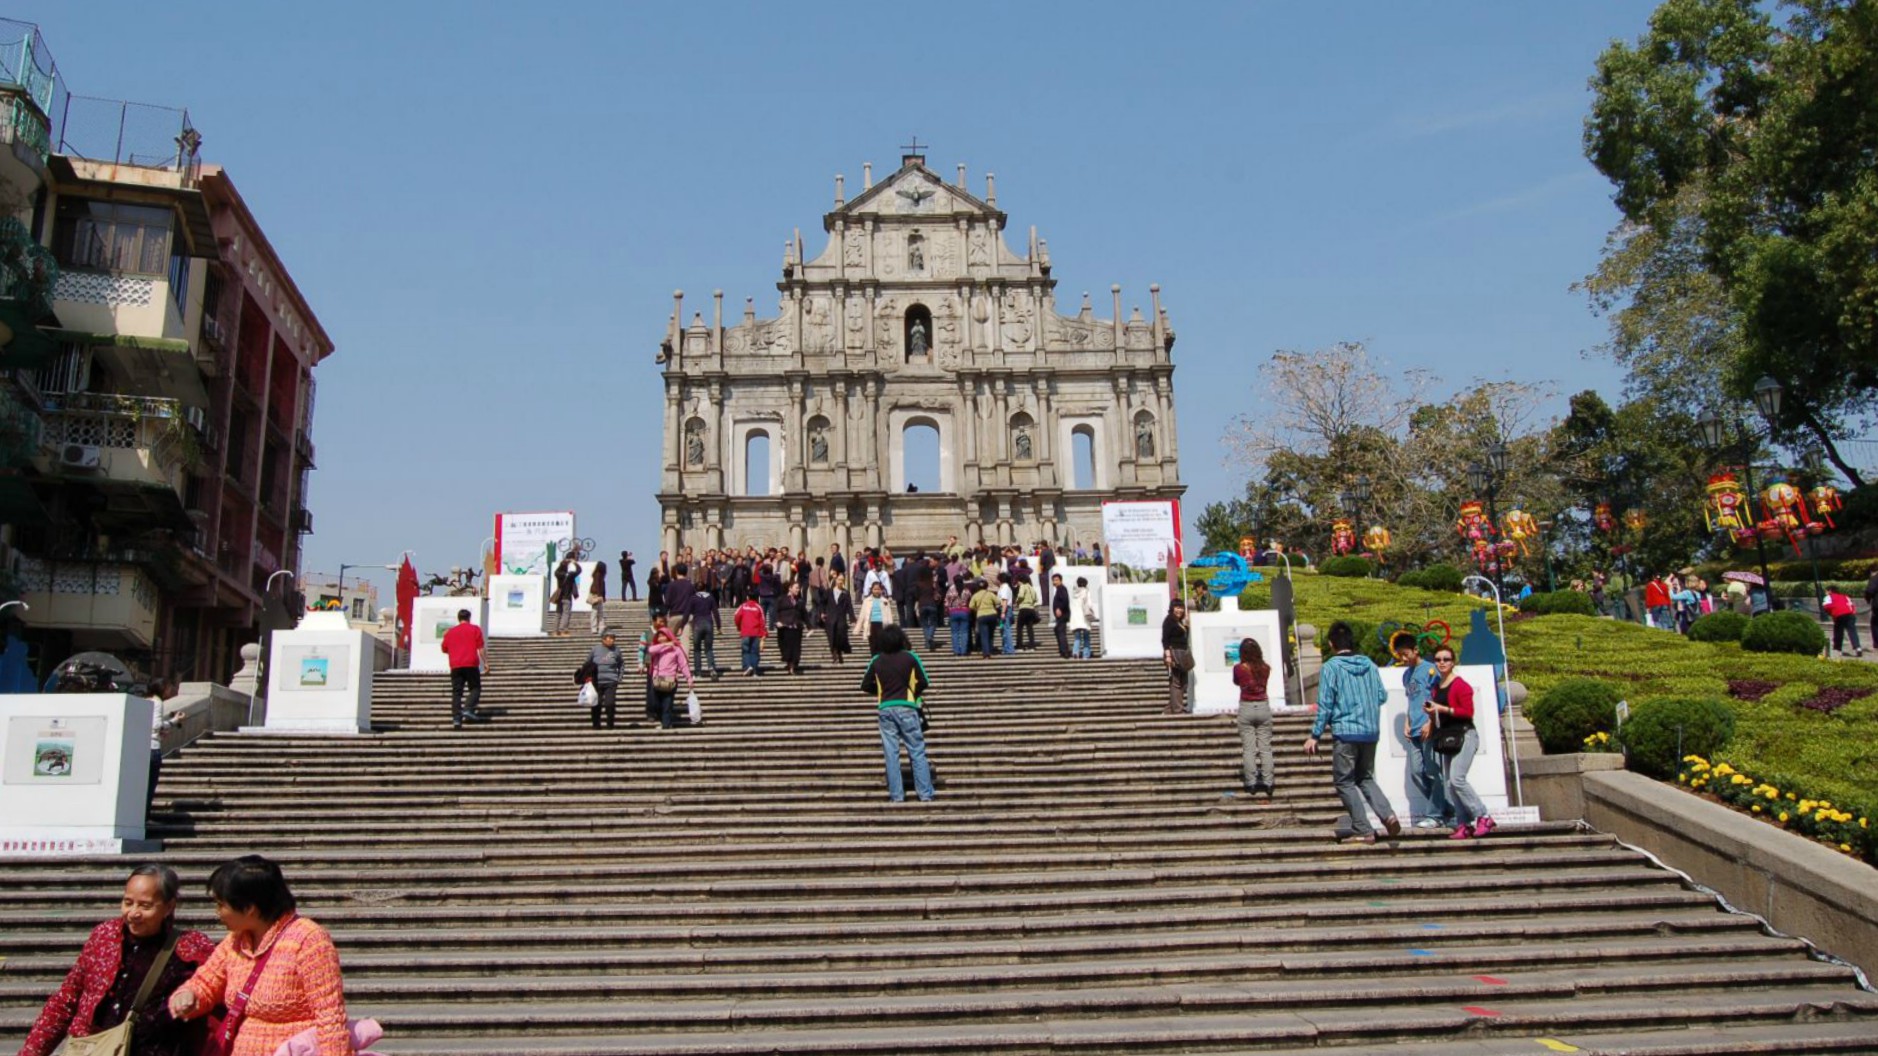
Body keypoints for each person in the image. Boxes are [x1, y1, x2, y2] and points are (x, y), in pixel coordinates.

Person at [20, 864, 216, 1056]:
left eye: (145, 905)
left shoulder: (191, 947)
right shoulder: (104, 937)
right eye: (128, 902)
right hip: (94, 1048)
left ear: (169, 906)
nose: (133, 913)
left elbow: (214, 994)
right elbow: (66, 1000)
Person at [167, 855, 353, 1054]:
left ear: (249, 909)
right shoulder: (236, 941)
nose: (217, 913)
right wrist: (188, 996)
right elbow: (205, 982)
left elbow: (330, 1017)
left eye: (221, 905)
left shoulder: (309, 940)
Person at [1303, 621, 1400, 844]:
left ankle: (1362, 828)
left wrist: (1315, 735)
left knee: (1344, 781)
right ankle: (1388, 815)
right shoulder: (1369, 664)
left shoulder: (1331, 667)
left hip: (1346, 731)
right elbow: (1382, 696)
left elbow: (1325, 703)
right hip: (1370, 731)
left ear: (1331, 644)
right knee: (1365, 777)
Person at [859, 625, 934, 803]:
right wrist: (913, 692)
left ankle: (897, 795)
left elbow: (865, 684)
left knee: (891, 754)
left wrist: (881, 691)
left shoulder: (876, 660)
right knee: (916, 750)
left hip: (885, 707)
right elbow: (924, 681)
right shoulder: (910, 657)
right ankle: (925, 793)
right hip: (907, 706)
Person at [1427, 646, 1495, 840]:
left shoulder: (1460, 685)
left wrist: (1443, 708)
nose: (1442, 663)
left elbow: (1467, 712)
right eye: (1438, 659)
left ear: (1453, 662)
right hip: (1448, 737)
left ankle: (1483, 815)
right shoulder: (1436, 686)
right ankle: (1463, 823)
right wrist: (1433, 713)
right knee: (1450, 783)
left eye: (1446, 659)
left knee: (1457, 778)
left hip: (1465, 735)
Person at [1391, 631, 1451, 828]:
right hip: (1414, 730)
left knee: (1433, 772)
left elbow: (1437, 698)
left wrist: (1431, 722)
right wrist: (1408, 722)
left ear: (1416, 650)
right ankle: (1445, 809)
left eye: (1406, 653)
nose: (1403, 658)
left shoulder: (1431, 670)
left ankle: (1435, 815)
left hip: (1428, 729)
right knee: (1417, 773)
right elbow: (1412, 701)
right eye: (1400, 655)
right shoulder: (1406, 675)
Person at [1234, 637, 1274, 797]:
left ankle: (1251, 783)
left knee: (1249, 749)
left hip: (1246, 706)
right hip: (1263, 705)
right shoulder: (1265, 668)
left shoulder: (1238, 668)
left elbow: (1237, 682)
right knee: (1265, 748)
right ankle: (1269, 782)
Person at [440, 609, 489, 728]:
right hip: (471, 663)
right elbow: (480, 648)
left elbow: (444, 649)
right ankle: (468, 708)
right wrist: (486, 662)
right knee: (475, 687)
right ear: (469, 618)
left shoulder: (450, 632)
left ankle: (457, 718)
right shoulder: (475, 629)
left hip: (456, 665)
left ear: (458, 618)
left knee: (457, 692)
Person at [646, 622, 696, 729]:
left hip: (670, 680)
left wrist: (689, 679)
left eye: (663, 635)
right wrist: (665, 645)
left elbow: (683, 665)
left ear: (668, 636)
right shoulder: (657, 648)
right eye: (659, 636)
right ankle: (664, 721)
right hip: (657, 680)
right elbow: (650, 650)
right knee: (655, 703)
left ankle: (666, 725)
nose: (661, 638)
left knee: (667, 704)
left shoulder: (676, 650)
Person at [586, 631, 624, 728]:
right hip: (596, 681)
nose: (611, 640)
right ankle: (596, 724)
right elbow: (588, 663)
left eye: (613, 638)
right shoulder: (595, 649)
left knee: (610, 703)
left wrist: (619, 677)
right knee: (596, 703)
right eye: (609, 638)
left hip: (611, 681)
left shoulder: (616, 650)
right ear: (603, 639)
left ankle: (610, 724)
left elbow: (621, 664)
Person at [1161, 597, 1192, 714]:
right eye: (1177, 607)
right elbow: (1165, 640)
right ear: (1172, 608)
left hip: (1183, 654)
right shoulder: (1169, 621)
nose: (1180, 610)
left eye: (1181, 608)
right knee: (1176, 682)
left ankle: (1170, 709)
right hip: (1174, 653)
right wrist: (1168, 655)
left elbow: (1185, 636)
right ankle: (1177, 709)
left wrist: (1187, 626)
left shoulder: (1180, 622)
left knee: (1184, 683)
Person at [853, 579, 898, 656]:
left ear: (881, 590)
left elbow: (889, 615)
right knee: (873, 644)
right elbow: (862, 615)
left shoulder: (885, 601)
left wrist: (891, 629)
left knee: (881, 645)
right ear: (871, 590)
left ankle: (881, 661)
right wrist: (857, 629)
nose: (877, 591)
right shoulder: (867, 601)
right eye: (875, 589)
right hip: (871, 625)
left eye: (878, 589)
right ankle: (874, 660)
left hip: (882, 625)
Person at [688, 583, 723, 680]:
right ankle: (712, 668)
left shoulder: (693, 598)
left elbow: (688, 613)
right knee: (709, 649)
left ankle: (698, 672)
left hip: (697, 624)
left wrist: (683, 625)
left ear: (696, 589)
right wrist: (719, 626)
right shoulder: (710, 597)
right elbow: (715, 612)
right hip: (708, 623)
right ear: (705, 588)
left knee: (697, 650)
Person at [775, 581, 807, 675]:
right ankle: (790, 664)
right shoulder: (781, 599)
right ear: (790, 588)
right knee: (786, 648)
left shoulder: (800, 601)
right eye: (796, 588)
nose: (798, 590)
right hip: (785, 628)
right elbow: (775, 612)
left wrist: (810, 626)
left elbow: (804, 614)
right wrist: (777, 621)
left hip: (796, 628)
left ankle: (792, 667)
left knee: (795, 648)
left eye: (798, 588)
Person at [1824, 587, 1863, 657]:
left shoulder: (1828, 597)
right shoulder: (1845, 596)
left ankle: (1837, 648)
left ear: (1830, 591)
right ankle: (1858, 647)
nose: (1825, 593)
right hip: (1850, 614)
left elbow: (1826, 607)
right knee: (1852, 631)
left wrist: (1831, 613)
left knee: (1838, 632)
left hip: (1839, 615)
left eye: (1826, 591)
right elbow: (1851, 606)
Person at [734, 593, 768, 676]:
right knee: (754, 652)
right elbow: (762, 621)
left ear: (747, 597)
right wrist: (764, 634)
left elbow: (736, 616)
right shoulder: (758, 607)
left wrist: (739, 626)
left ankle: (747, 666)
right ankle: (755, 670)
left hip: (745, 632)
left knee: (746, 651)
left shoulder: (743, 606)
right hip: (755, 633)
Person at [826, 572, 856, 664]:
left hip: (841, 617)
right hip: (831, 618)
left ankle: (839, 652)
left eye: (842, 580)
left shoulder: (846, 593)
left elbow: (849, 606)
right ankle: (834, 654)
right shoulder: (829, 591)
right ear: (835, 580)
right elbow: (823, 603)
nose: (840, 582)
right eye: (839, 580)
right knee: (832, 637)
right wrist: (822, 613)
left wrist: (852, 618)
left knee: (840, 636)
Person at [968, 578, 1001, 659]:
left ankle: (986, 654)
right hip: (992, 615)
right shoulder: (990, 594)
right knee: (991, 634)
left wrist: (977, 609)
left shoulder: (975, 595)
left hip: (981, 615)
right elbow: (998, 602)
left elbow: (970, 606)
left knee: (984, 635)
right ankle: (990, 649)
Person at [552, 554, 580, 637]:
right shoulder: (570, 574)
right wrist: (575, 563)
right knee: (566, 613)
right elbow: (579, 570)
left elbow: (557, 570)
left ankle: (555, 631)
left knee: (558, 614)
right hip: (567, 597)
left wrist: (563, 562)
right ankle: (563, 630)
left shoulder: (558, 573)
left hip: (559, 597)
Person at [1068, 576, 1096, 659]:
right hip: (1084, 619)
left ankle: (1075, 652)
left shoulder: (1073, 593)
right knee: (1086, 638)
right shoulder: (1086, 592)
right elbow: (1089, 604)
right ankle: (1085, 655)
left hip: (1075, 620)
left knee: (1077, 638)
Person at [945, 576, 973, 657]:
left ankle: (957, 651)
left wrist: (948, 609)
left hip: (953, 612)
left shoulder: (951, 589)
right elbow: (970, 599)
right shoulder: (966, 589)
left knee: (955, 633)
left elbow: (946, 601)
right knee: (964, 632)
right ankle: (964, 651)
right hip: (964, 611)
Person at [1014, 575, 1042, 650]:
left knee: (1019, 627)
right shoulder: (1032, 588)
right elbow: (1036, 599)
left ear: (1021, 581)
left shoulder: (1023, 586)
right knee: (1029, 628)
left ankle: (1019, 645)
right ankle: (1032, 645)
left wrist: (1017, 601)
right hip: (1031, 609)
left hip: (1023, 608)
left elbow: (1020, 596)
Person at [1050, 573, 1072, 658]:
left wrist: (1059, 608)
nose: (1054, 582)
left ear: (1060, 580)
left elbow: (1065, 600)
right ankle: (1063, 649)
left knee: (1061, 632)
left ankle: (1065, 652)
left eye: (1056, 580)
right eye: (1053, 580)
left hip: (1063, 615)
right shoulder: (1059, 589)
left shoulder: (1062, 588)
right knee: (1057, 630)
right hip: (1061, 615)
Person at [587, 561, 609, 634]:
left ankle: (599, 627)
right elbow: (598, 586)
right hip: (596, 595)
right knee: (596, 611)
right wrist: (600, 595)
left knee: (598, 611)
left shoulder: (597, 575)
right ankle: (596, 627)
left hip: (597, 594)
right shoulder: (598, 575)